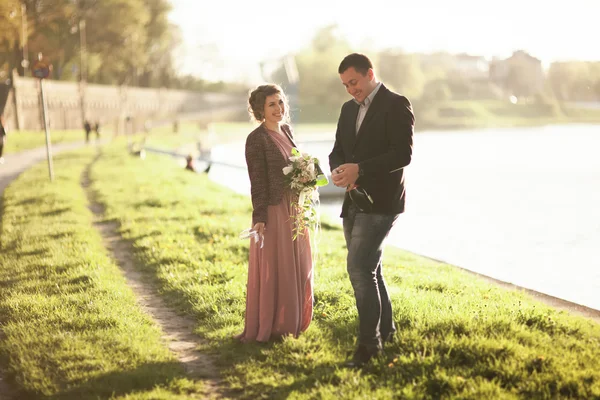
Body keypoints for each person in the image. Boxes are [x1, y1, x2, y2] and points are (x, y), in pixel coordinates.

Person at [328, 53, 415, 367]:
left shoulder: (396, 104)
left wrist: (359, 170)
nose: (351, 90)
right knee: (371, 270)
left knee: (359, 270)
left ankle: (369, 348)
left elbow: (402, 154)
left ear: (369, 74)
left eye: (354, 82)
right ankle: (387, 331)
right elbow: (338, 149)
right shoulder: (347, 108)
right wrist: (340, 171)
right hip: (353, 200)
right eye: (345, 85)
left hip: (383, 203)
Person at [236, 84, 313, 343]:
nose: (279, 109)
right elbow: (257, 181)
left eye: (280, 102)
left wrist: (307, 176)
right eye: (272, 104)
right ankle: (274, 324)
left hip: (294, 208)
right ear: (260, 109)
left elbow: (294, 165)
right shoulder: (256, 139)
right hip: (273, 210)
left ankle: (293, 320)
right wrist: (260, 218)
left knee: (299, 264)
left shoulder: (287, 130)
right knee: (275, 266)